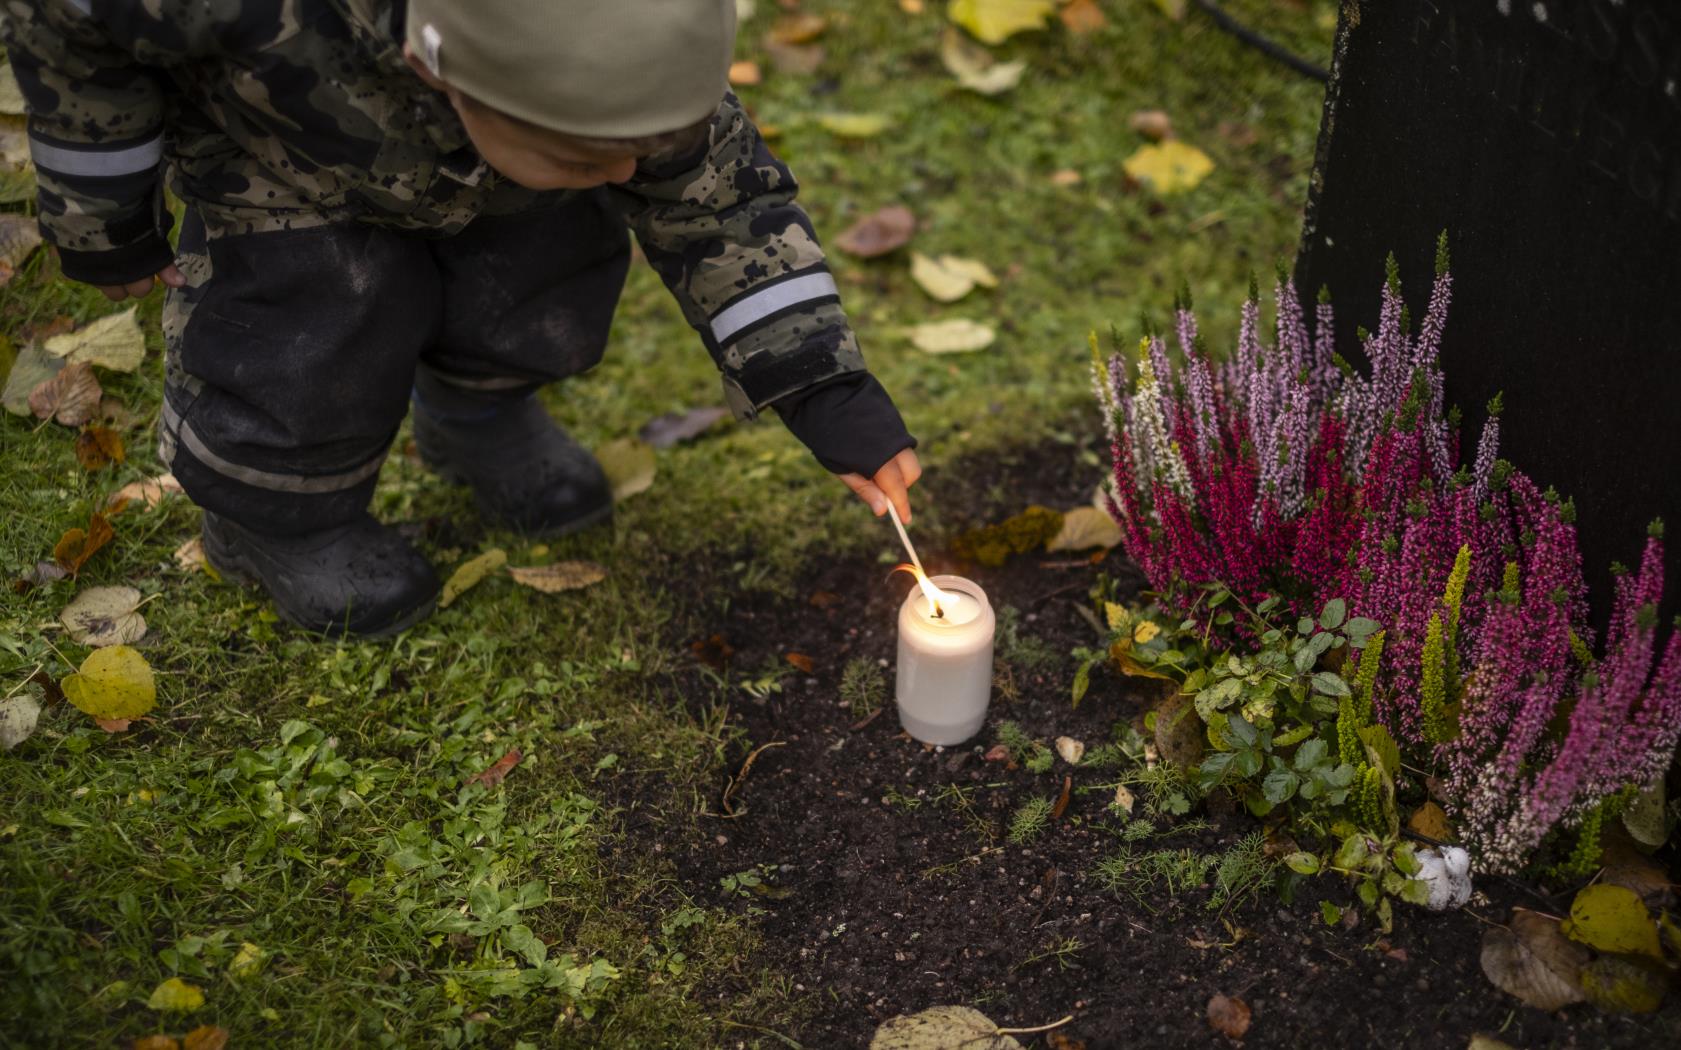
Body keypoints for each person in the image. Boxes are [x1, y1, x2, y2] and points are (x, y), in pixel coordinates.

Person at [3, 0, 922, 635]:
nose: (626, 173)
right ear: (440, 69)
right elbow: (70, 32)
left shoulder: (625, 66)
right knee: (305, 326)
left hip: (493, 168)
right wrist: (103, 213)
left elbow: (725, 211)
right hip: (283, 158)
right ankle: (277, 516)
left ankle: (479, 412)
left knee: (545, 264)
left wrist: (822, 387)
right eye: (591, 153)